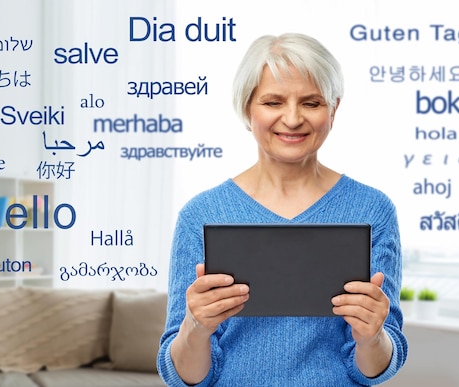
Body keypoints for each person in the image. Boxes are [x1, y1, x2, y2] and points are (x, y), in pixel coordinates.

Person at [156, 33, 408, 386]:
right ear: (247, 108)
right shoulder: (200, 215)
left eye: (311, 103)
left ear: (334, 109)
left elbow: (375, 369)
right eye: (273, 102)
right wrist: (195, 328)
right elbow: (184, 377)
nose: (292, 119)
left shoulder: (373, 210)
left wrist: (372, 337)